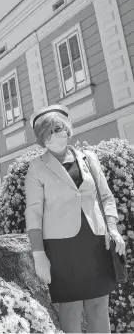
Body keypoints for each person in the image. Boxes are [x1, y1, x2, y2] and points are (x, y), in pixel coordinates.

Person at [24, 104, 126, 333]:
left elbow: (107, 197)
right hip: (62, 248)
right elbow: (33, 213)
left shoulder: (88, 158)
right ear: (41, 139)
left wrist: (113, 228)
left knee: (99, 306)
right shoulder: (36, 167)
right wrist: (38, 253)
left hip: (96, 241)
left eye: (57, 129)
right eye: (47, 133)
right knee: (70, 310)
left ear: (67, 129)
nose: (54, 136)